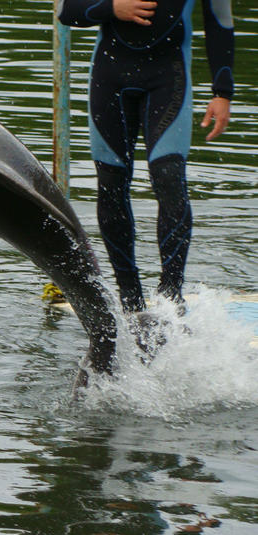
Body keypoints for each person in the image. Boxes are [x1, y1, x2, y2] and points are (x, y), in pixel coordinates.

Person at [57, 0, 234, 313]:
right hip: (110, 77)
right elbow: (66, 11)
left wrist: (222, 92)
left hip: (168, 79)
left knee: (168, 177)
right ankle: (130, 299)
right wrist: (112, 8)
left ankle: (170, 297)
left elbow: (219, 20)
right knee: (111, 182)